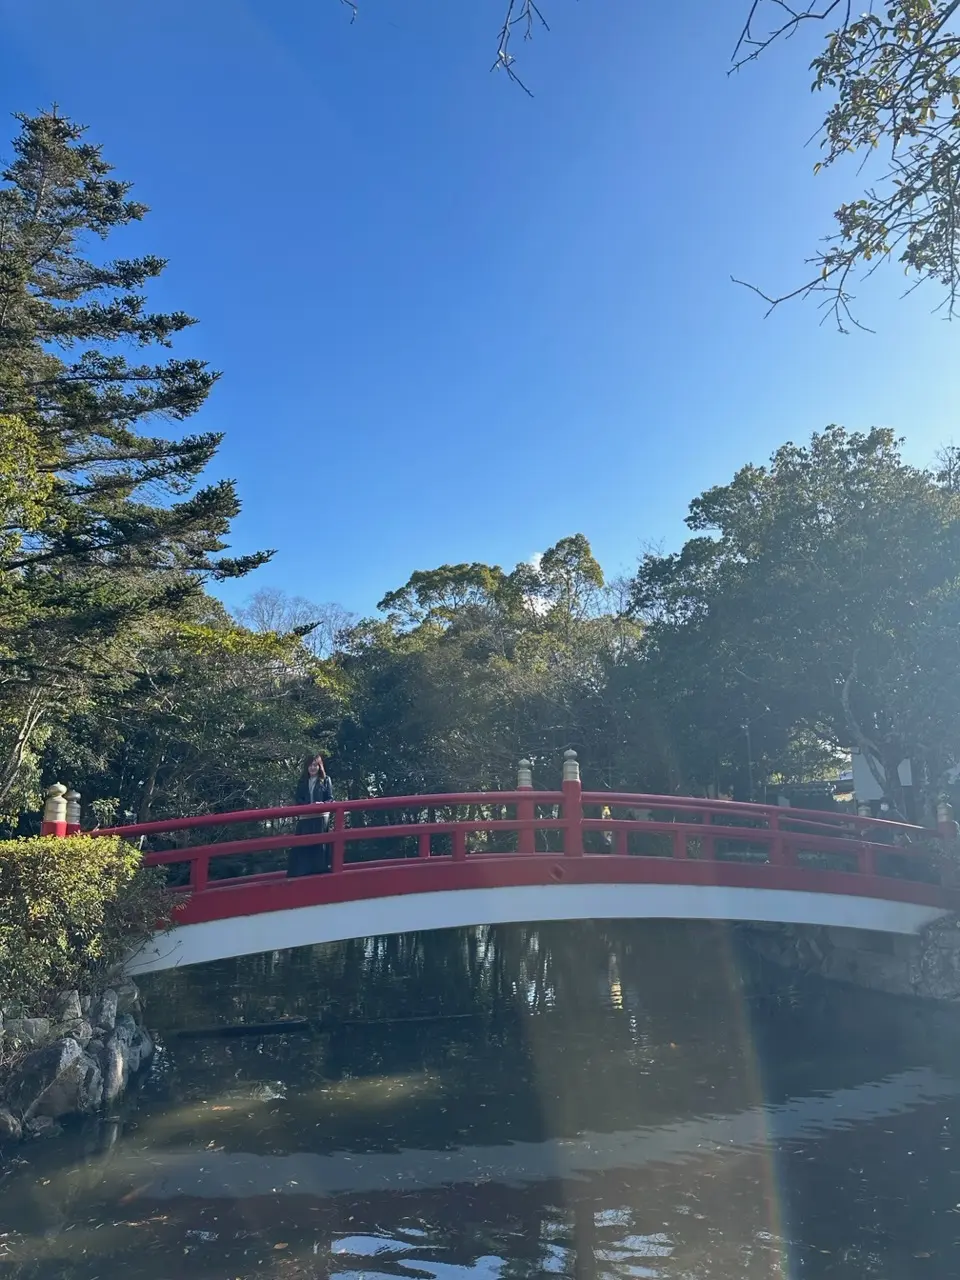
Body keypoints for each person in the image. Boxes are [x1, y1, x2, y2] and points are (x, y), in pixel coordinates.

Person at [287, 754, 334, 878]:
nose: (312, 768)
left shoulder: (326, 779)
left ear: (319, 766)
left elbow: (330, 799)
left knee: (320, 845)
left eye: (315, 765)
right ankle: (302, 871)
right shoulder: (302, 781)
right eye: (310, 765)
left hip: (321, 817)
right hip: (306, 817)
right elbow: (298, 798)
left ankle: (320, 870)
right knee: (304, 844)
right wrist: (308, 806)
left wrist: (322, 804)